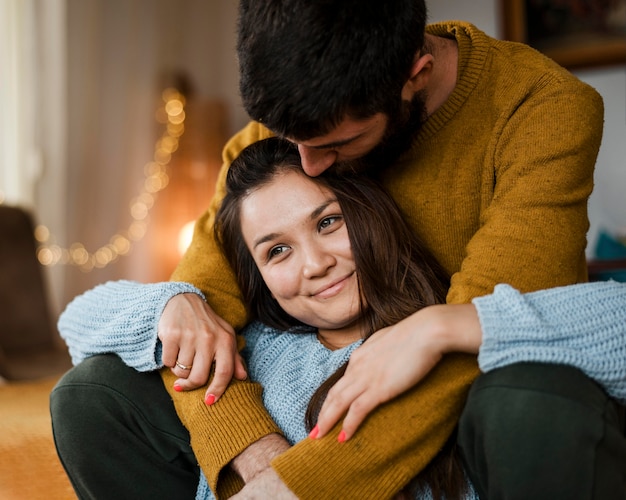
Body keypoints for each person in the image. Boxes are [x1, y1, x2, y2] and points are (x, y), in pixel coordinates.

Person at [51, 1, 611, 498]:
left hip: (471, 407)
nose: (307, 163)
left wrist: (301, 485)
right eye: (292, 142)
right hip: (300, 418)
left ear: (416, 74)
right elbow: (199, 324)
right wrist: (256, 453)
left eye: (337, 145)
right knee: (94, 394)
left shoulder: (541, 108)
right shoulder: (286, 132)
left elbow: (483, 333)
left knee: (527, 392)